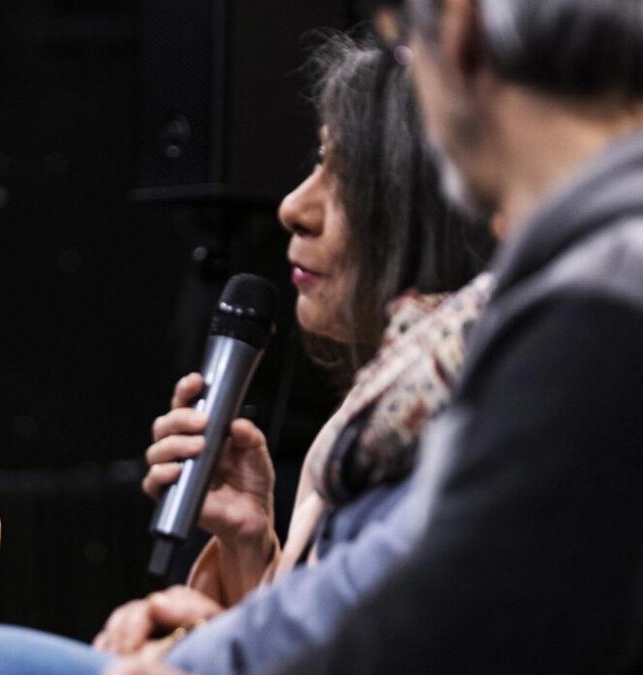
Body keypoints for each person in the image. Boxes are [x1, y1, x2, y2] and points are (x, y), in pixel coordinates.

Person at [0, 34, 494, 675]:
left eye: (342, 177)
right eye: (314, 165)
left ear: (427, 211)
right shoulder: (380, 396)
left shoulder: (470, 410)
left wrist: (186, 657)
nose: (294, 208)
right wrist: (247, 545)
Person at [257, 0, 643, 672]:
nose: (294, 206)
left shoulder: (594, 306)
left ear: (461, 29)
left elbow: (444, 607)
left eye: (404, 41)